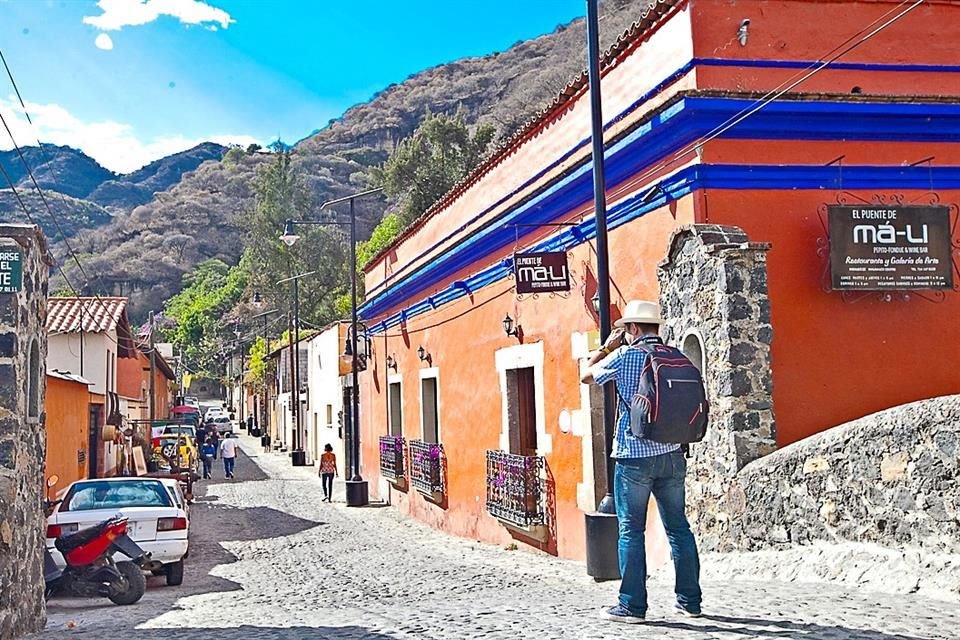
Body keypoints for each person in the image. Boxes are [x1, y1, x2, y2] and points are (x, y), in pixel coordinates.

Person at [581, 300, 702, 623]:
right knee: (679, 528)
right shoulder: (676, 355)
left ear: (633, 328)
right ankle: (689, 601)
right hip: (672, 454)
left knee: (631, 531)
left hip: (633, 457)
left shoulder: (625, 356)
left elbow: (586, 376)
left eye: (626, 329)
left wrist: (605, 348)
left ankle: (632, 606)